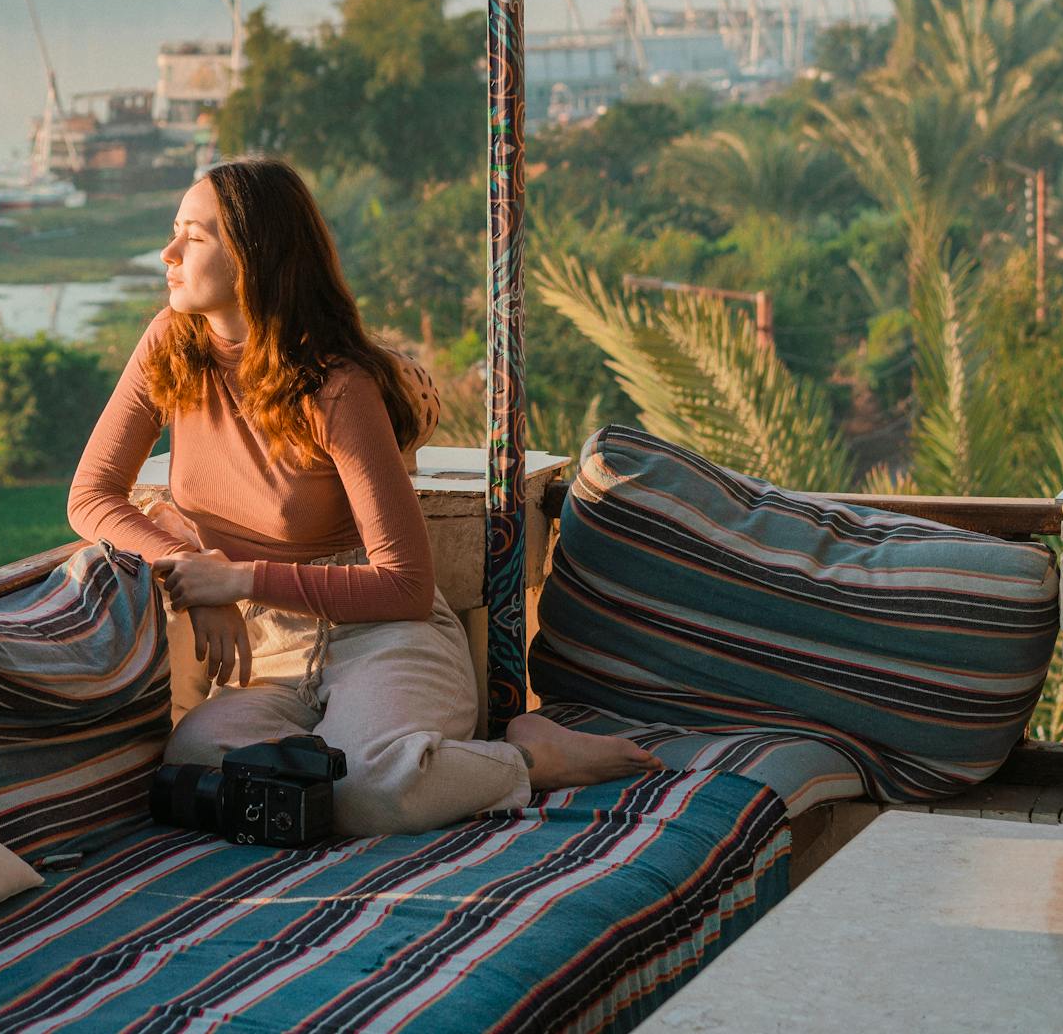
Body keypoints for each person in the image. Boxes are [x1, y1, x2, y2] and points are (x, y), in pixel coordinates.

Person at [67, 158, 657, 837]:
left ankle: (529, 756)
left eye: (194, 237)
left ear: (254, 258)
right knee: (196, 761)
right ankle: (361, 758)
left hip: (380, 636)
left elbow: (405, 585)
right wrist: (194, 572)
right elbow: (92, 495)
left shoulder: (335, 385)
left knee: (372, 788)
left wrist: (238, 578)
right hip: (269, 652)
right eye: (175, 231)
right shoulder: (169, 346)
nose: (168, 253)